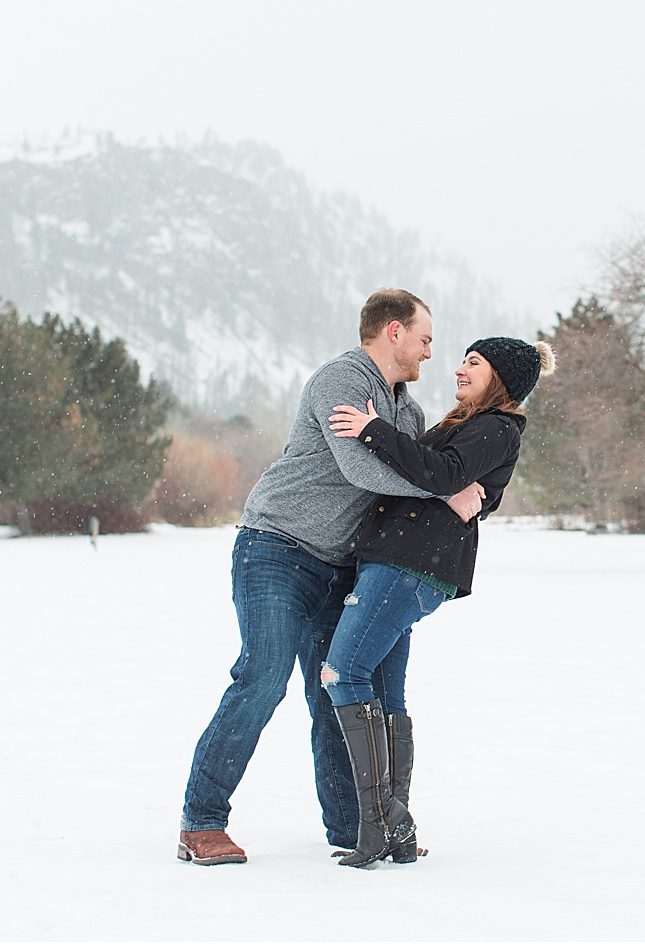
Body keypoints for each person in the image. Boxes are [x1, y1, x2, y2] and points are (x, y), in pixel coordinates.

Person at [178, 289, 485, 866]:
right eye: (424, 339)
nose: (428, 353)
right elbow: (361, 466)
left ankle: (352, 828)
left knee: (334, 691)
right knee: (263, 675)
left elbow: (418, 468)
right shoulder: (340, 381)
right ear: (393, 332)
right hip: (278, 546)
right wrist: (447, 490)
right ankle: (201, 821)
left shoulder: (408, 411)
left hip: (343, 564)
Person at [319, 335, 556, 867]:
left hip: (410, 565)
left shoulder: (495, 427)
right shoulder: (465, 425)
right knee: (381, 685)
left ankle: (379, 824)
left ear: (500, 378)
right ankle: (394, 828)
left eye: (473, 363)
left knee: (342, 673)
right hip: (400, 561)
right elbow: (436, 477)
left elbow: (441, 474)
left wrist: (370, 429)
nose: (458, 370)